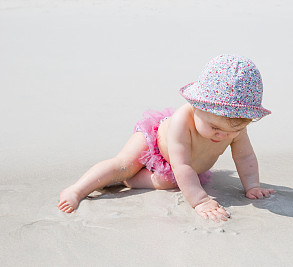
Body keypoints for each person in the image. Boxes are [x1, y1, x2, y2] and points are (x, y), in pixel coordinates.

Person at [58, 54, 275, 222]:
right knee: (123, 165)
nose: (223, 135)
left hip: (181, 168)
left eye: (231, 131)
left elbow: (245, 157)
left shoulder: (234, 126)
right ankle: (77, 189)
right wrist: (200, 201)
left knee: (167, 181)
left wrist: (252, 186)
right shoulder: (182, 121)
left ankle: (130, 181)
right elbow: (182, 165)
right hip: (154, 142)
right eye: (214, 127)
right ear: (197, 106)